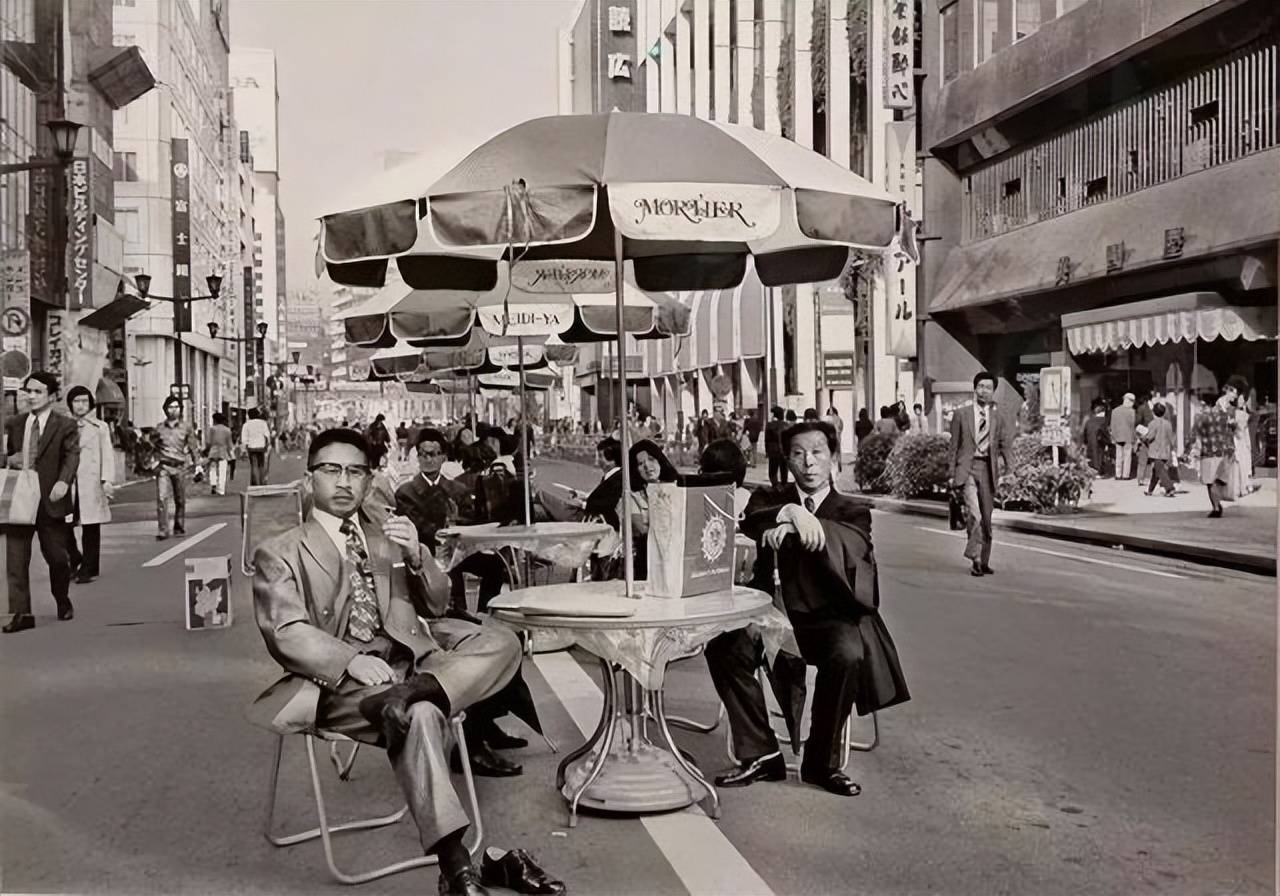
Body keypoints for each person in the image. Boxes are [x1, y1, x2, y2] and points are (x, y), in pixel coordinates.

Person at [248, 429, 537, 895]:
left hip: (412, 663)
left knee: (503, 639)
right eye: (331, 470)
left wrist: (418, 557)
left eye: (356, 472)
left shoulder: (387, 534)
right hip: (341, 686)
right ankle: (456, 865)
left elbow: (438, 605)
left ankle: (409, 693)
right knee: (421, 715)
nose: (344, 481)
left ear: (369, 481)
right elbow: (284, 631)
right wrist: (348, 660)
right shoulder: (280, 550)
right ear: (308, 479)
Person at [709, 421, 911, 796]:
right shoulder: (770, 497)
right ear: (787, 460)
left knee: (849, 654)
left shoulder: (852, 510)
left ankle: (821, 763)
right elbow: (751, 519)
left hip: (827, 618)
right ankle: (763, 753)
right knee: (723, 649)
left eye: (817, 452)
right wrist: (790, 510)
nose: (809, 462)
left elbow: (853, 546)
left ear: (833, 457)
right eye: (798, 454)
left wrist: (804, 525)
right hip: (771, 615)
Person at [3, 372, 80, 632]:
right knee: (15, 560)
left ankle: (62, 598)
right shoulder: (15, 423)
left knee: (57, 558)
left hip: (50, 498)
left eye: (38, 392)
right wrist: (8, 459)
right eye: (28, 391)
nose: (31, 396)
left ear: (52, 395)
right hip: (19, 498)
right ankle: (21, 614)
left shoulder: (65, 425)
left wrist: (63, 482)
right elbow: (4, 454)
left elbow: (71, 456)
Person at [947, 371, 1015, 577]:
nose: (984, 391)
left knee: (986, 519)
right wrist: (951, 474)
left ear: (993, 391)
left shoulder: (998, 416)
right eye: (981, 387)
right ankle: (975, 558)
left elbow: (1005, 445)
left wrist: (1010, 470)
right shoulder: (961, 414)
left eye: (988, 388)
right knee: (975, 515)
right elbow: (953, 446)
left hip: (988, 470)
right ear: (975, 389)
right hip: (967, 469)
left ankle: (984, 561)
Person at [65, 385, 115, 585]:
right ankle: (75, 557)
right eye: (76, 401)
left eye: (84, 401)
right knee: (63, 525)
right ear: (70, 404)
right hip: (69, 482)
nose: (81, 405)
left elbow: (107, 455)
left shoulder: (100, 427)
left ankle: (90, 567)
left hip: (91, 482)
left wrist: (107, 480)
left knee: (91, 527)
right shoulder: (64, 426)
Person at [617, 439, 679, 579]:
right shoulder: (631, 496)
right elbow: (642, 530)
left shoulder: (676, 487)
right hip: (645, 557)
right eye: (640, 463)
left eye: (651, 459)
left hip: (674, 553)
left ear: (660, 460)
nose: (647, 466)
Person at [566, 437, 624, 580]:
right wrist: (583, 497)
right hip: (600, 528)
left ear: (611, 460)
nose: (597, 461)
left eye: (600, 456)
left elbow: (609, 504)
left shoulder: (618, 479)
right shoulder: (612, 477)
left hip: (605, 530)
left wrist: (583, 504)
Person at [153, 396, 200, 541]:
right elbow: (152, 447)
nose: (173, 410)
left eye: (176, 407)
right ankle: (163, 529)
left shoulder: (186, 427)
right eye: (170, 407)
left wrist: (197, 464)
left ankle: (179, 526)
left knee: (180, 499)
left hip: (180, 467)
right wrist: (152, 462)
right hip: (163, 467)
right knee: (162, 498)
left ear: (180, 409)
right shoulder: (159, 428)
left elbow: (193, 447)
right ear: (165, 409)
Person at [1190, 386, 1238, 518]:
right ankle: (1218, 504)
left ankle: (1216, 507)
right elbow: (1232, 431)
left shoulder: (1202, 417)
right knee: (1218, 479)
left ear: (1204, 403)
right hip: (1223, 451)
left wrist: (1186, 451)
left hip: (1208, 452)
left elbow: (1193, 435)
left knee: (1210, 482)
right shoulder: (1224, 416)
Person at [1142, 402, 1178, 497]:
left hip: (1156, 451)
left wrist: (1143, 438)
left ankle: (1169, 488)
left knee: (1160, 471)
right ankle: (1150, 490)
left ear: (1153, 412)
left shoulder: (1153, 423)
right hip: (1166, 451)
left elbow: (1150, 436)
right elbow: (1171, 438)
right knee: (1156, 471)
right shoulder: (1168, 424)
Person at [204, 412, 235, 496]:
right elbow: (230, 444)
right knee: (222, 471)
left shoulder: (212, 429)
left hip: (213, 451)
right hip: (223, 451)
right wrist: (231, 454)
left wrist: (206, 450)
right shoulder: (227, 430)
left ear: (215, 420)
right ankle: (221, 489)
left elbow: (208, 442)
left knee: (213, 469)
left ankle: (213, 484)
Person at [240, 408, 272, 486]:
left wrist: (243, 450)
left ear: (249, 415)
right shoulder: (263, 423)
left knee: (254, 465)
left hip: (251, 448)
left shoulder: (246, 425)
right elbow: (267, 435)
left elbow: (244, 439)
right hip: (261, 447)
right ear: (258, 414)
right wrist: (268, 444)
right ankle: (262, 482)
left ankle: (256, 483)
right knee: (261, 465)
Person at [1110, 393, 1137, 480]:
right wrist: (1134, 438)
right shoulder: (1131, 412)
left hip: (1117, 436)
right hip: (1128, 436)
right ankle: (1126, 475)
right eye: (1132, 401)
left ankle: (1118, 474)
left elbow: (1112, 425)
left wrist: (1113, 436)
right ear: (1129, 401)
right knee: (1127, 456)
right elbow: (1132, 425)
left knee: (1118, 456)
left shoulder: (1115, 411)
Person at [764, 406, 788, 487]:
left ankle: (775, 486)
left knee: (772, 471)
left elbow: (766, 440)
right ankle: (784, 485)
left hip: (773, 450)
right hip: (784, 451)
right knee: (784, 470)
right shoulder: (786, 425)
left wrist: (767, 451)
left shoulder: (770, 425)